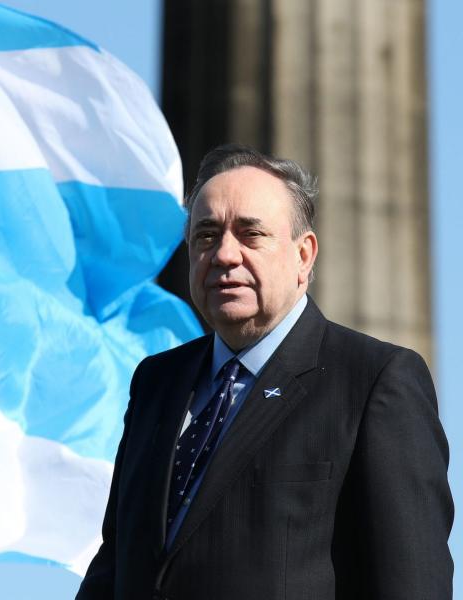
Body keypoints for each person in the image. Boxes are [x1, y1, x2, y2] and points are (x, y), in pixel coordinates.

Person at [76, 144, 453, 599]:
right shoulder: (157, 383)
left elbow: (410, 584)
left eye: (251, 234)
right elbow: (114, 567)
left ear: (303, 255)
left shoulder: (375, 381)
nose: (224, 255)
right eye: (206, 235)